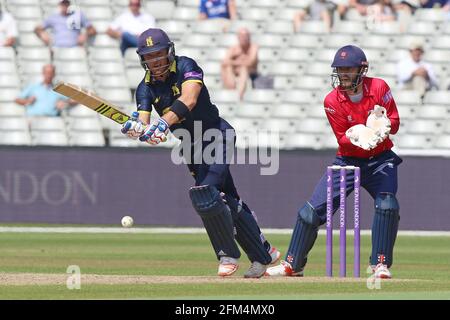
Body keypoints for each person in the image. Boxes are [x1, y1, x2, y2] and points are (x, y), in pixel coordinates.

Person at [120, 28, 280, 278]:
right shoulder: (145, 87)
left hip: (216, 135)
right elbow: (145, 123)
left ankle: (227, 254)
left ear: (169, 51)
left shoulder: (186, 66)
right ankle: (264, 254)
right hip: (190, 146)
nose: (156, 61)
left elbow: (190, 98)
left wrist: (163, 123)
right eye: (149, 56)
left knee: (205, 195)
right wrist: (138, 130)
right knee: (228, 199)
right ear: (143, 59)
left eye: (159, 54)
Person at [266, 45, 402, 279]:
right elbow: (342, 138)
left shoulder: (379, 87)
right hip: (347, 161)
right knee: (310, 213)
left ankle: (379, 264)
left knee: (387, 206)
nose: (343, 74)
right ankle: (293, 264)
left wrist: (383, 127)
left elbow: (395, 122)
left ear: (362, 68)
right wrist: (359, 136)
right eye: (339, 69)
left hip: (380, 160)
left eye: (348, 69)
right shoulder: (332, 100)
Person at [221, 28, 258, 100]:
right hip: (235, 72)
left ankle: (240, 96)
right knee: (227, 67)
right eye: (241, 36)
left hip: (251, 72)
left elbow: (251, 62)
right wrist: (240, 61)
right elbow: (225, 62)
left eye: (245, 36)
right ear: (238, 37)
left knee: (244, 69)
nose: (244, 38)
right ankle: (231, 91)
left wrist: (235, 61)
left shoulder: (253, 47)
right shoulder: (234, 48)